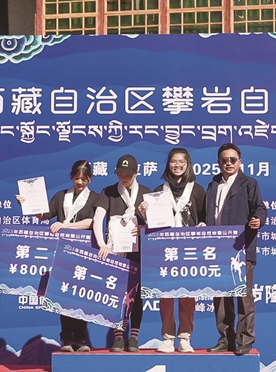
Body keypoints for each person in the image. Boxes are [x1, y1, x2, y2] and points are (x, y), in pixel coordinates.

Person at [17, 160, 100, 352]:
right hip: (62, 252)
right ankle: (66, 339)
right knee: (64, 295)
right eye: (77, 178)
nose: (80, 182)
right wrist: (27, 204)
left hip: (84, 253)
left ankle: (81, 338)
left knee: (81, 295)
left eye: (84, 179)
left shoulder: (96, 198)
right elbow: (44, 215)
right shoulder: (61, 196)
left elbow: (92, 222)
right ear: (71, 177)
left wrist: (65, 225)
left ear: (90, 179)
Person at [138, 148, 206, 353]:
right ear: (168, 164)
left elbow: (205, 216)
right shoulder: (159, 191)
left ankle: (185, 337)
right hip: (165, 249)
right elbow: (152, 224)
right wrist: (144, 214)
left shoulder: (197, 190)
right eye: (173, 162)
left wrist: (203, 224)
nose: (177, 165)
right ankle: (167, 338)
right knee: (165, 294)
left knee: (188, 294)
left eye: (181, 162)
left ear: (188, 164)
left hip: (189, 248)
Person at [205, 143, 266, 355]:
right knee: (220, 297)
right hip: (216, 249)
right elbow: (207, 214)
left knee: (243, 296)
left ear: (240, 162)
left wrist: (258, 219)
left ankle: (245, 340)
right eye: (224, 160)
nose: (229, 163)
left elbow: (259, 208)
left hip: (240, 248)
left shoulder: (249, 184)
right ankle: (226, 339)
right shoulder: (213, 185)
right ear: (218, 162)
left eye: (233, 160)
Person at [93, 154, 152, 352]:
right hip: (115, 251)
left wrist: (145, 225)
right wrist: (102, 244)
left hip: (139, 252)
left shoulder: (147, 193)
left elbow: (157, 224)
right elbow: (98, 218)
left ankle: (134, 337)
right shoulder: (109, 191)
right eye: (120, 173)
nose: (123, 177)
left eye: (128, 174)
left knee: (137, 296)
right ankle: (118, 336)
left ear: (137, 173)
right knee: (115, 293)